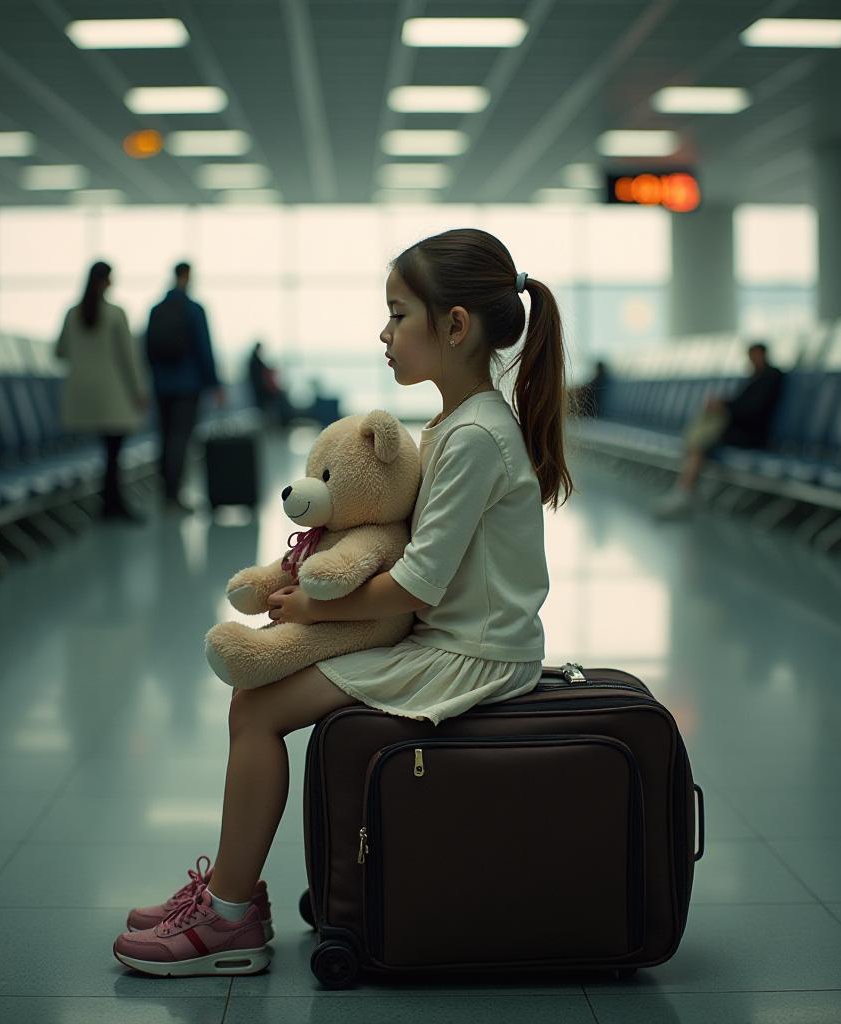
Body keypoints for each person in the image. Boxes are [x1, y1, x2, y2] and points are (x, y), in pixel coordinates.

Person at [112, 228, 574, 978]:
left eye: (398, 315)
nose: (384, 334)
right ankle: (229, 900)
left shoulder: (474, 439)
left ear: (454, 327)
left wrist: (309, 608)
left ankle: (229, 918)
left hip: (470, 658)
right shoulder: (458, 426)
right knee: (253, 704)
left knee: (257, 708)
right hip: (454, 641)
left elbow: (421, 582)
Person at [56, 261, 147, 522]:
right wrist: (138, 390)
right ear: (106, 281)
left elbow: (60, 352)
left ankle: (108, 504)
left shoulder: (73, 313)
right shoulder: (116, 314)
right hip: (111, 394)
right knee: (114, 453)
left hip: (81, 394)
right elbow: (128, 358)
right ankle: (113, 505)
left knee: (107, 453)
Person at [653, 341, 784, 518]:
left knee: (700, 444)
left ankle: (684, 492)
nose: (750, 360)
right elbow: (742, 404)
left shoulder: (770, 377)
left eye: (752, 356)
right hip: (742, 428)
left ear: (761, 355)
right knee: (699, 439)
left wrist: (724, 407)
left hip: (751, 434)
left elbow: (752, 410)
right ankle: (685, 489)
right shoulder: (757, 377)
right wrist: (724, 404)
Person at [145, 262, 224, 513]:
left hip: (161, 385)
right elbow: (203, 349)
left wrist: (155, 378)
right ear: (188, 276)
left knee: (164, 438)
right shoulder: (194, 309)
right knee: (181, 439)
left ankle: (165, 493)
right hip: (188, 385)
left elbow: (146, 347)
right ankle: (174, 496)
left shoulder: (156, 309)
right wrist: (214, 383)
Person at [246, 340, 293, 426]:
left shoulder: (254, 360)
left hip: (259, 390)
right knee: (267, 408)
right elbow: (263, 375)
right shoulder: (256, 361)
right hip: (262, 390)